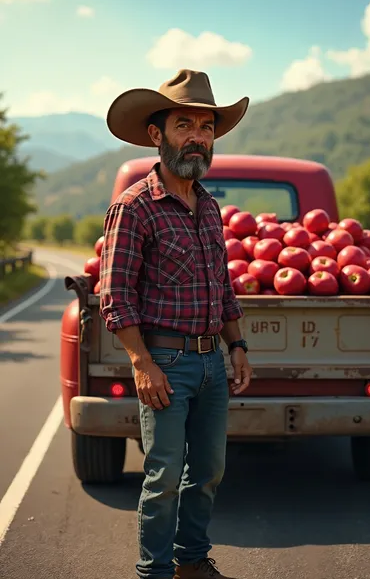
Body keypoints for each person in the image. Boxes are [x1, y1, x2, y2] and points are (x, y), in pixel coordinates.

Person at [99, 69, 252, 579]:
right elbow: (115, 295)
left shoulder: (208, 207)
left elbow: (221, 287)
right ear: (156, 134)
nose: (197, 136)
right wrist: (141, 362)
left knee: (208, 471)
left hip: (212, 361)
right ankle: (154, 571)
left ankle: (191, 561)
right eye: (184, 124)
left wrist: (237, 345)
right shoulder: (134, 207)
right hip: (165, 359)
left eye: (206, 127)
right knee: (163, 475)